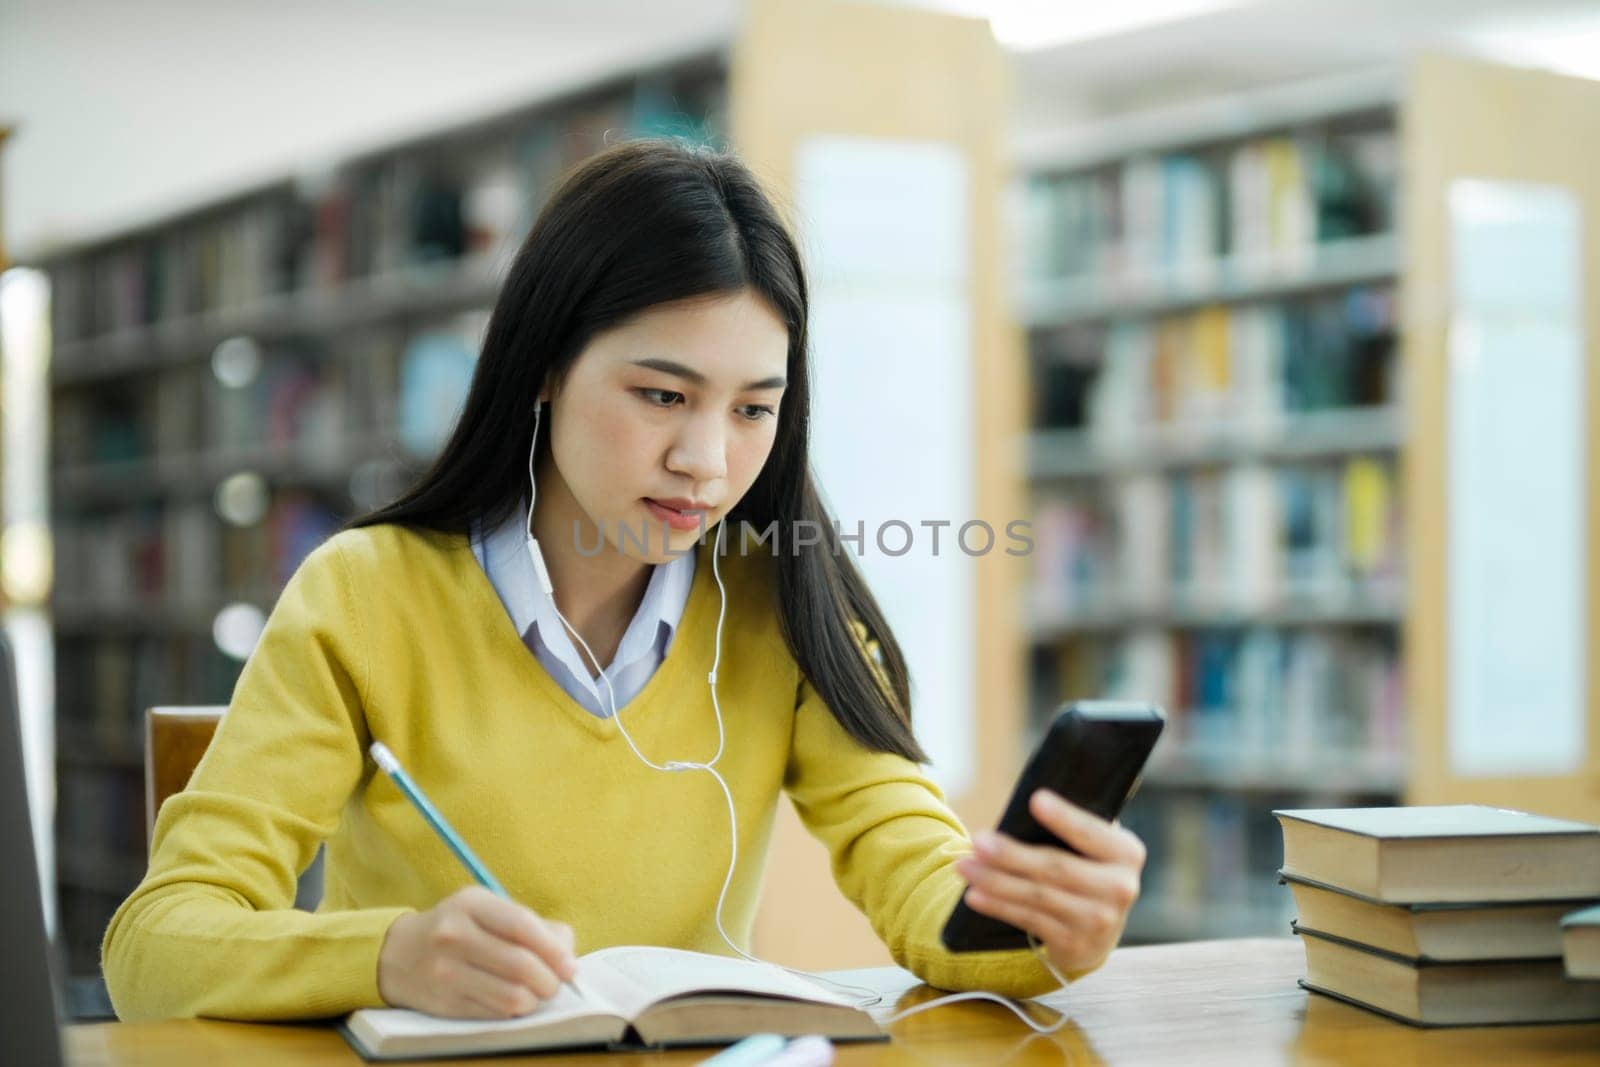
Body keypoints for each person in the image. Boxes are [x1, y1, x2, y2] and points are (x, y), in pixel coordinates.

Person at [102, 139, 1147, 1022]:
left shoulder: (779, 600)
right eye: (662, 393)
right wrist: (387, 955)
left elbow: (922, 882)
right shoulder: (366, 595)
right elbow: (155, 945)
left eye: (752, 408)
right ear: (545, 367)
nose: (705, 459)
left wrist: (1043, 920)